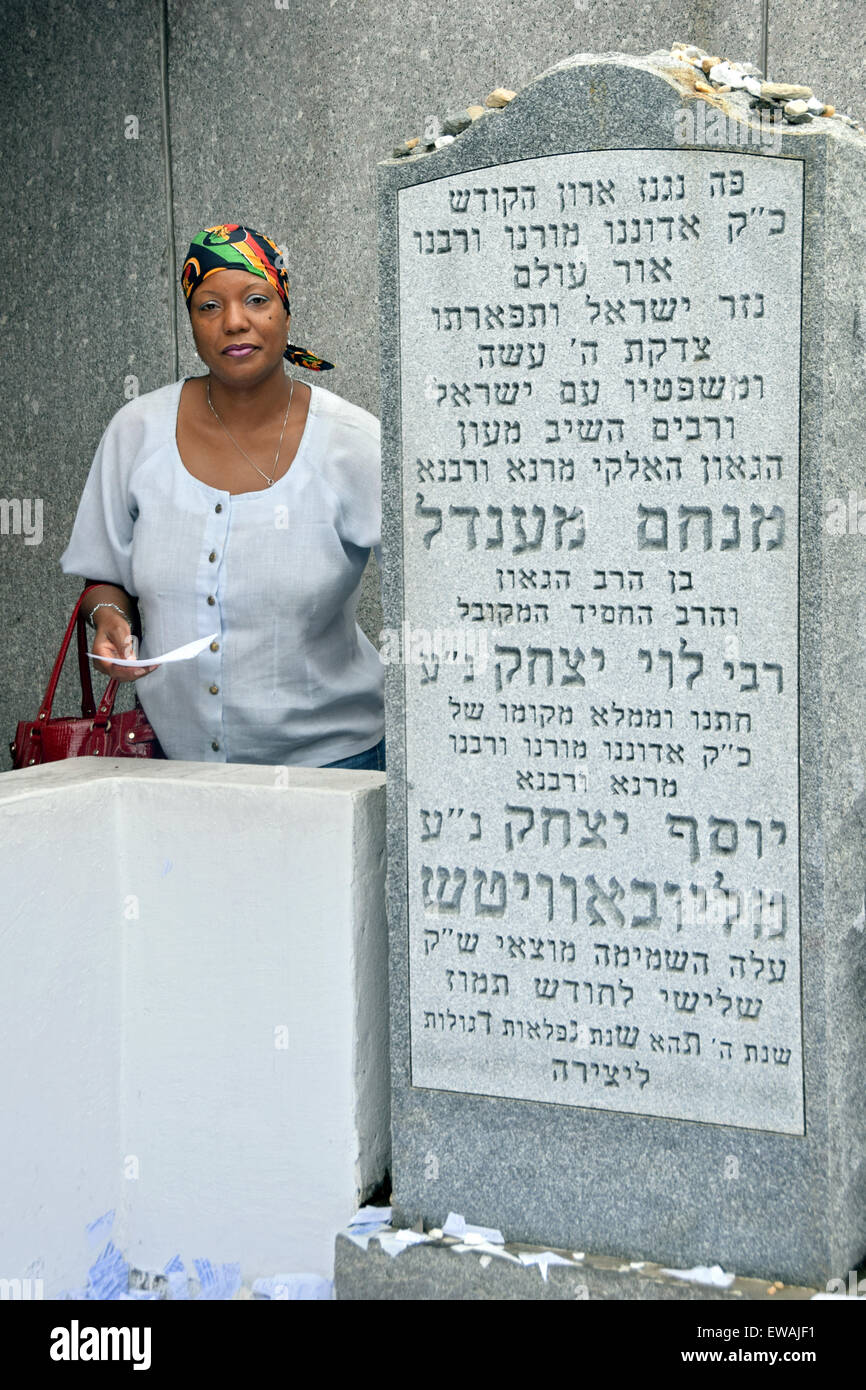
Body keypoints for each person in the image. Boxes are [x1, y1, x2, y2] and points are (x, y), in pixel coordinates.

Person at [60, 223, 385, 771]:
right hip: (175, 767)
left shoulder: (352, 444)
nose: (234, 321)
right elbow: (103, 574)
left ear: (285, 309)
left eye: (257, 299)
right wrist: (111, 619)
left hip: (335, 770)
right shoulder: (137, 431)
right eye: (209, 305)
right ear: (191, 322)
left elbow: (435, 586)